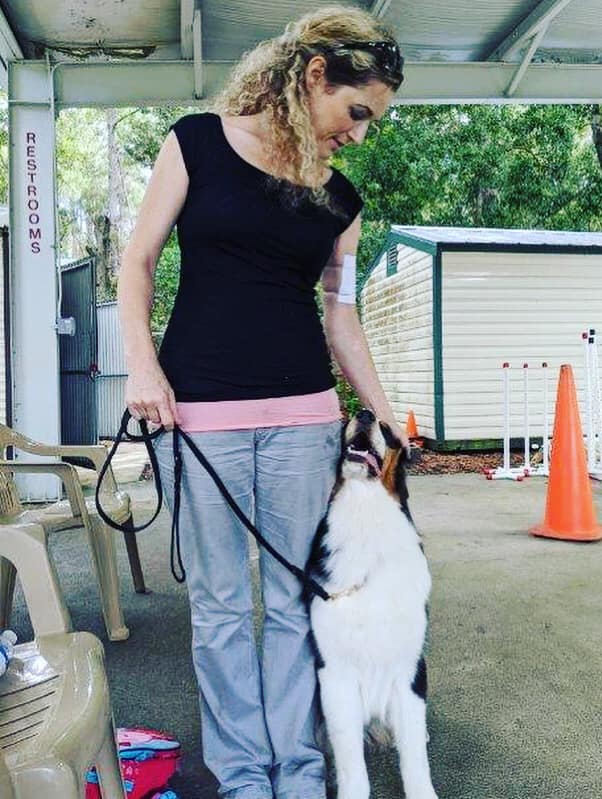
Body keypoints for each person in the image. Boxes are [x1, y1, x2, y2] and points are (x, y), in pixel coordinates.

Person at [118, 6, 406, 799]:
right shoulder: (197, 144)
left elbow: (340, 316)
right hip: (196, 418)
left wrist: (382, 412)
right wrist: (143, 368)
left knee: (292, 604)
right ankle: (245, 775)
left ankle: (300, 771)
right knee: (216, 610)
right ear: (315, 76)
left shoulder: (339, 202)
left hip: (304, 422)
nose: (359, 133)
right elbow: (136, 263)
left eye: (371, 123)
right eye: (357, 112)